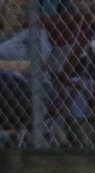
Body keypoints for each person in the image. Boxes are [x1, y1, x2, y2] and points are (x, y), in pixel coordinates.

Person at [0, 0, 53, 132]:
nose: (18, 12)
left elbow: (34, 67)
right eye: (13, 7)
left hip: (29, 88)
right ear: (3, 10)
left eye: (24, 8)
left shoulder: (36, 34)